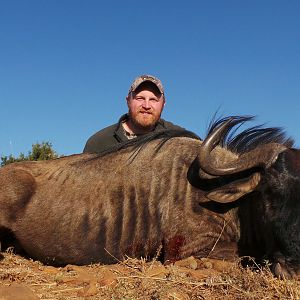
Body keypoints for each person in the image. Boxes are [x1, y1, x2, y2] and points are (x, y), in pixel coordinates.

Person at [83, 74, 187, 154]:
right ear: (128, 101)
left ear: (163, 104)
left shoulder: (180, 137)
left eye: (153, 99)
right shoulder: (98, 143)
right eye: (140, 98)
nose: (146, 105)